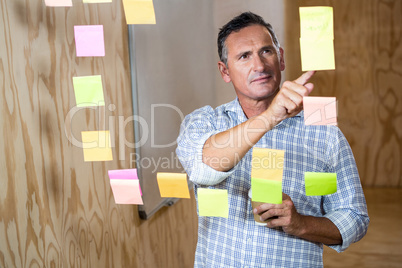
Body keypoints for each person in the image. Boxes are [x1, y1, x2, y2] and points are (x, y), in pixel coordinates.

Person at [176, 12, 369, 267]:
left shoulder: (324, 133)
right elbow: (203, 168)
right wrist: (271, 117)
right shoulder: (205, 122)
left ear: (281, 59)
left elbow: (354, 219)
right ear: (225, 71)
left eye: (266, 52)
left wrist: (300, 224)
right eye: (244, 56)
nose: (259, 65)